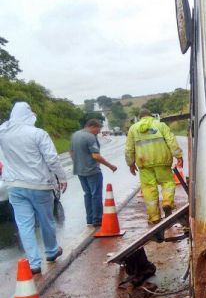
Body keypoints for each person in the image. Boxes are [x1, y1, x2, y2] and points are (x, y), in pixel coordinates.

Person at [0, 102, 67, 274]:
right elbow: (52, 159)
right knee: (46, 220)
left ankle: (33, 263)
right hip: (40, 185)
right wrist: (62, 177)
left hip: (15, 186)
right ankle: (51, 251)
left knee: (24, 225)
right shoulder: (38, 134)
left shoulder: (3, 133)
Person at [125, 108, 183, 224]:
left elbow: (129, 149)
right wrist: (178, 156)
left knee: (148, 189)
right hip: (162, 162)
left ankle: (154, 217)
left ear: (140, 117)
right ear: (151, 115)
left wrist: (130, 163)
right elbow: (171, 141)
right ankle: (167, 202)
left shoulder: (133, 129)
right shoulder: (161, 125)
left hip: (144, 164)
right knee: (167, 183)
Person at [70, 119, 118, 228]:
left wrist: (78, 163)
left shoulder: (75, 135)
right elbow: (96, 156)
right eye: (98, 129)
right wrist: (110, 166)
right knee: (96, 194)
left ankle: (90, 219)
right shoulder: (90, 137)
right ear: (92, 127)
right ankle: (98, 219)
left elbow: (71, 152)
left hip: (80, 171)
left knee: (87, 194)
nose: (98, 132)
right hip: (92, 171)